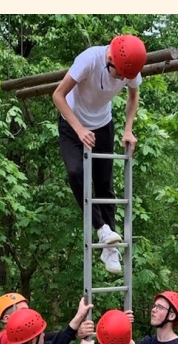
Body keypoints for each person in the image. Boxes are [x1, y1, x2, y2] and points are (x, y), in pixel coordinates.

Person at [52, 34, 146, 275]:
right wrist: (79, 128)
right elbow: (58, 96)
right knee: (75, 173)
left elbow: (133, 96)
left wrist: (128, 129)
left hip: (103, 124)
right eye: (119, 74)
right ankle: (102, 228)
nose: (122, 79)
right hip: (72, 122)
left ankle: (110, 249)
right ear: (109, 59)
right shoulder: (89, 60)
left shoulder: (130, 68)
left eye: (127, 76)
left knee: (105, 184)